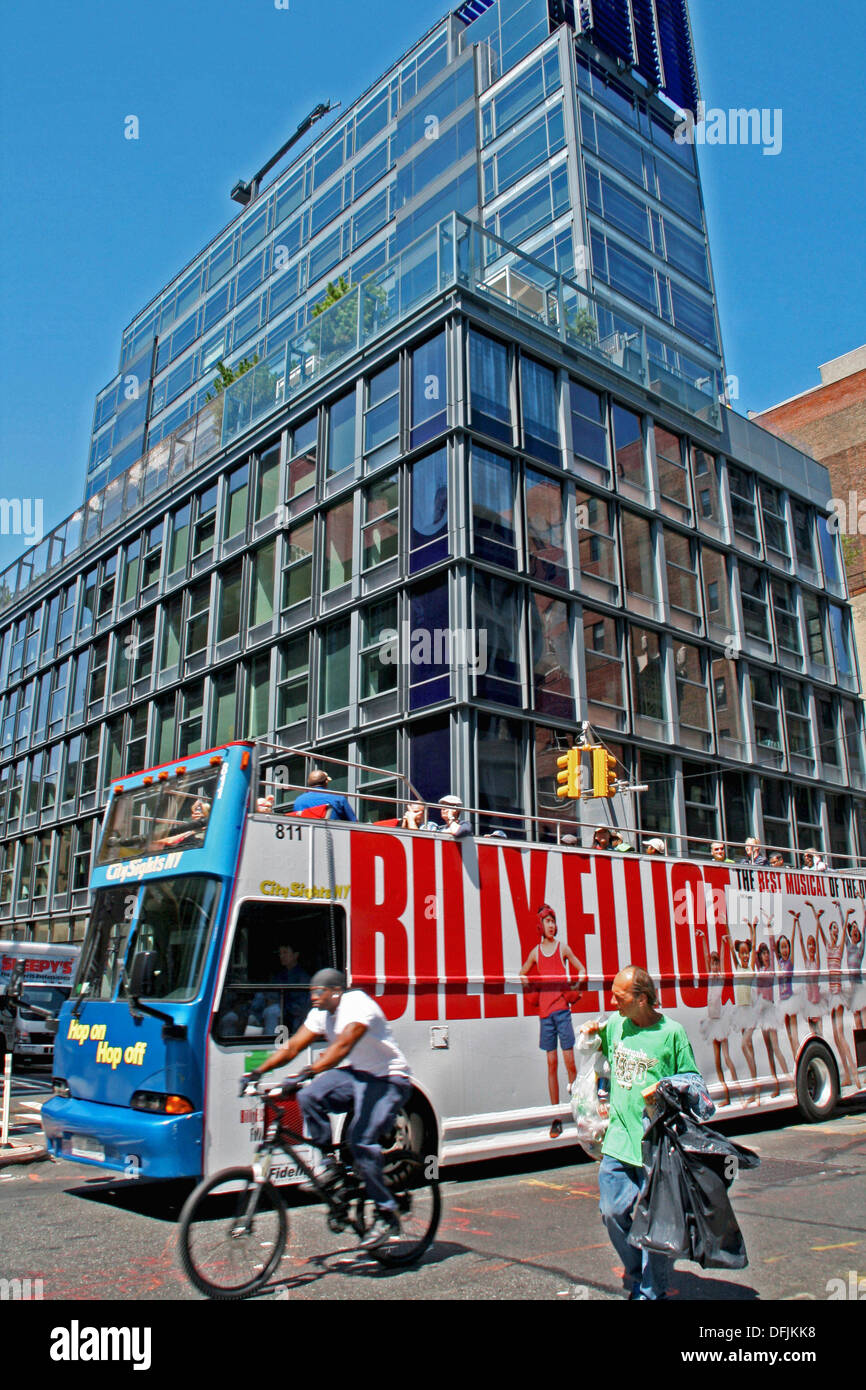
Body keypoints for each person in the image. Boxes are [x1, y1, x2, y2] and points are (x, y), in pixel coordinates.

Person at [245, 968, 412, 1250]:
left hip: (388, 1078)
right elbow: (294, 1045)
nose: (313, 998)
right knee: (310, 1096)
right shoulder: (321, 1012)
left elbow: (343, 1046)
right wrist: (257, 1072)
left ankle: (387, 1213)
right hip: (358, 1074)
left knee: (362, 1139)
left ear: (336, 991)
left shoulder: (358, 1005)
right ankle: (330, 1167)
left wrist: (308, 1071)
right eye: (311, 993)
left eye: (318, 992)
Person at [582, 966, 701, 1300]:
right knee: (611, 1212)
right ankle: (636, 1271)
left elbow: (694, 1082)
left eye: (619, 996)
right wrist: (591, 1033)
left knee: (655, 1223)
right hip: (619, 1141)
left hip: (657, 1145)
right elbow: (598, 1047)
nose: (612, 1001)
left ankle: (650, 1291)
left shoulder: (672, 1033)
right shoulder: (617, 1025)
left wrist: (667, 1087)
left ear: (641, 998)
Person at [519, 905, 586, 1139]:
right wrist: (532, 992)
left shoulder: (562, 948)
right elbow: (522, 973)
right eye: (547, 921)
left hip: (562, 1013)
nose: (551, 925)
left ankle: (580, 1111)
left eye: (553, 921)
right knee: (551, 1063)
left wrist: (575, 991)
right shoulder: (536, 952)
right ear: (540, 925)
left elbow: (581, 968)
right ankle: (556, 1117)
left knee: (569, 1063)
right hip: (545, 1015)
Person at [695, 929, 739, 1107]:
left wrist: (722, 943)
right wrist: (704, 938)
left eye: (716, 963)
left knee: (727, 1057)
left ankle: (736, 1087)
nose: (713, 966)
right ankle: (725, 1094)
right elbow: (706, 956)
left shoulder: (719, 978)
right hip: (711, 1022)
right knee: (717, 1061)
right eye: (712, 964)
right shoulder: (709, 979)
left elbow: (719, 957)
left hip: (720, 1022)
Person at [271, 942, 311, 1034]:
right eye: (280, 953)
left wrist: (280, 1004)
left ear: (295, 955)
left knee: (272, 1011)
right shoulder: (280, 975)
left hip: (292, 1017)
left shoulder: (303, 978)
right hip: (282, 1011)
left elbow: (300, 1005)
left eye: (285, 952)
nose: (282, 956)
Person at [293, 769, 357, 822]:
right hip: (334, 835)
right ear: (326, 782)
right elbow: (353, 822)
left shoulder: (298, 801)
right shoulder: (337, 797)